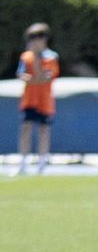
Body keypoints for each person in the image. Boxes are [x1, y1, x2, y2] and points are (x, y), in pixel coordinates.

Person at [14, 23, 60, 176]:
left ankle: (41, 165)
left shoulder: (51, 57)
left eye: (38, 37)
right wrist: (32, 75)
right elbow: (21, 75)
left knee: (43, 130)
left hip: (44, 100)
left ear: (44, 38)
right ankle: (22, 164)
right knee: (26, 128)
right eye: (31, 37)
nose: (34, 41)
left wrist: (36, 61)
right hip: (29, 99)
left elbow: (43, 78)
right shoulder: (25, 56)